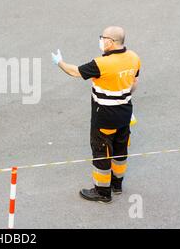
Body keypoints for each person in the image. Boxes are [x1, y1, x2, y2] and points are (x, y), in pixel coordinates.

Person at [51, 26, 141, 203]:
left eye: (103, 37)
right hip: (125, 113)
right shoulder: (134, 57)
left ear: (110, 41)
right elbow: (134, 83)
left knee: (102, 152)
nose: (101, 40)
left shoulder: (102, 63)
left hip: (105, 117)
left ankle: (102, 192)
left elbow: (75, 71)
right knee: (120, 149)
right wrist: (121, 96)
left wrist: (60, 62)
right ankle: (117, 185)